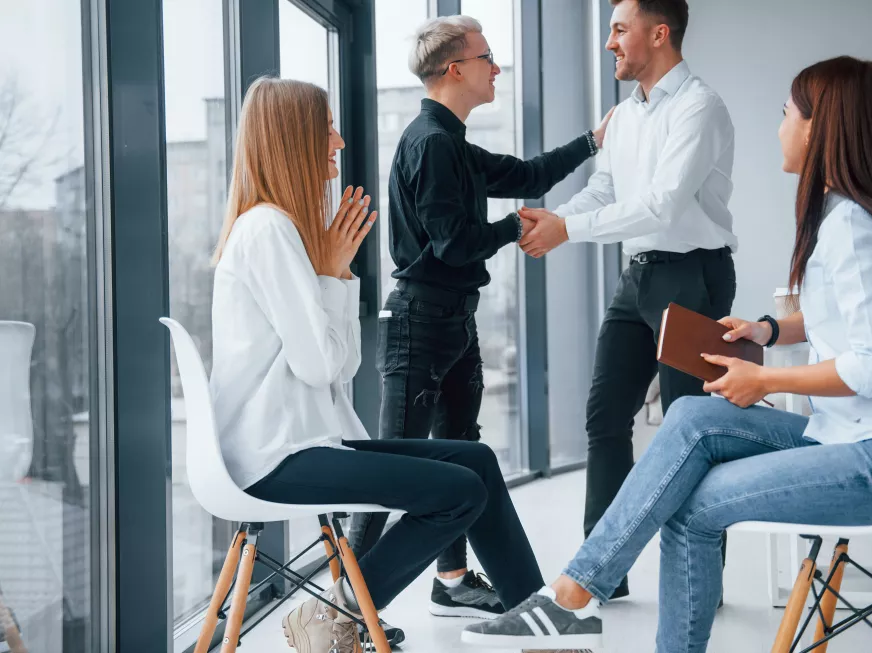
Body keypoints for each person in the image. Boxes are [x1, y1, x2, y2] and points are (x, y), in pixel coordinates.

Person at [462, 55, 872, 652]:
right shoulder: (862, 216)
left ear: (820, 127)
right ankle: (573, 595)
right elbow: (856, 318)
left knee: (692, 502)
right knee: (691, 417)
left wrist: (765, 383)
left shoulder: (853, 228)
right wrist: (768, 332)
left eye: (787, 114)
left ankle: (573, 598)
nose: (779, 126)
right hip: (869, 437)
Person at [208, 77, 547, 653]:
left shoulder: (280, 231)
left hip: (305, 443)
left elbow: (341, 368)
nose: (338, 143)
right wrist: (334, 275)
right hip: (275, 457)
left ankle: (539, 617)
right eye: (328, 130)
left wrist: (335, 275)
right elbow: (323, 368)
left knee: (478, 461)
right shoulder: (268, 231)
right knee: (460, 491)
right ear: (296, 140)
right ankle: (338, 612)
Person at [348, 14, 614, 624]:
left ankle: (451, 579)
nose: (497, 67)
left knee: (459, 451)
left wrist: (594, 141)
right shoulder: (432, 143)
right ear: (455, 69)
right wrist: (516, 226)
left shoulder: (454, 144)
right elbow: (452, 244)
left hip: (451, 321)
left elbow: (527, 174)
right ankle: (349, 604)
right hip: (419, 324)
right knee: (395, 468)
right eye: (487, 57)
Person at [516, 0, 738, 601]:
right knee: (605, 418)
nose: (609, 43)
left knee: (691, 430)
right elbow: (607, 189)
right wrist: (555, 221)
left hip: (692, 278)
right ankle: (601, 576)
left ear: (658, 33)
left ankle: (700, 582)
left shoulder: (700, 107)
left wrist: (568, 230)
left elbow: (663, 204)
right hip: (637, 276)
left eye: (619, 30)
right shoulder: (626, 115)